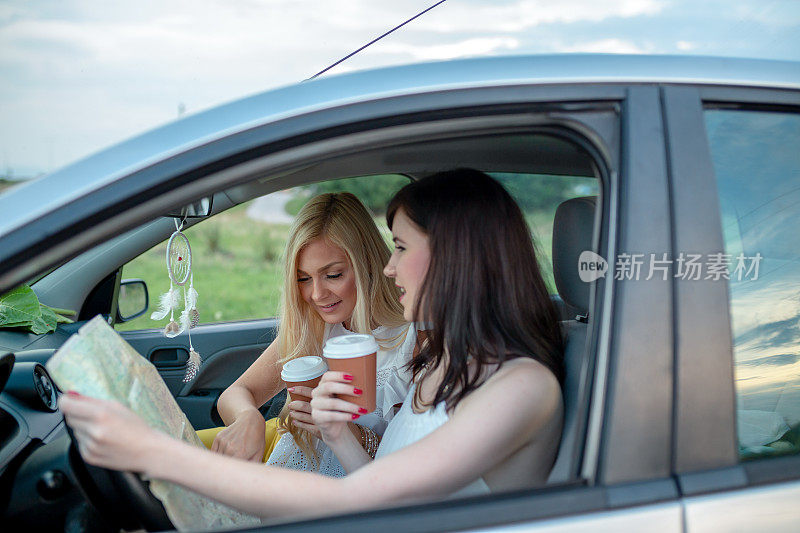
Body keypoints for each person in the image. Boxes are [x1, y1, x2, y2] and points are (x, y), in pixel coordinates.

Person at [61, 169, 565, 518]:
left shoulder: (521, 387)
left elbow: (361, 500)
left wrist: (153, 452)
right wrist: (338, 432)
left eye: (402, 248)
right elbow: (380, 498)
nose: (390, 268)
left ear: (457, 258)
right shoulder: (445, 363)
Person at [201, 191, 416, 475]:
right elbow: (237, 392)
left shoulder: (409, 339)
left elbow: (410, 464)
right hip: (288, 479)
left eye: (333, 275)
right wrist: (248, 416)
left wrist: (344, 431)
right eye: (303, 278)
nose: (316, 294)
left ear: (367, 264)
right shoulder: (314, 328)